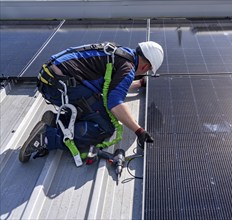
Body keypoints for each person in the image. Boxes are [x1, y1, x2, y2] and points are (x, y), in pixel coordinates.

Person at [19, 41, 164, 163]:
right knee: (105, 126)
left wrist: (138, 84)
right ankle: (47, 138)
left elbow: (114, 86)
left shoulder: (121, 55)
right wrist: (139, 131)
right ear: (146, 67)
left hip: (49, 81)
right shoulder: (128, 67)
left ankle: (57, 121)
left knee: (95, 109)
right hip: (61, 86)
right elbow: (115, 103)